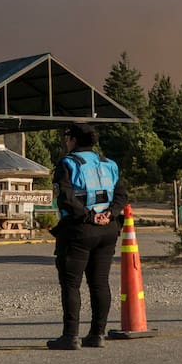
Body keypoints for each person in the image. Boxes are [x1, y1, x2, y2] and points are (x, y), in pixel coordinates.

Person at [48, 122, 127, 350]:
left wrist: (89, 217)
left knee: (71, 284)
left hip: (79, 230)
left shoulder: (68, 163)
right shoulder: (108, 164)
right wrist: (109, 214)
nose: (65, 140)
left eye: (66, 136)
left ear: (72, 139)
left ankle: (70, 336)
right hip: (108, 230)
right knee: (100, 283)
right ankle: (97, 334)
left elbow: (65, 198)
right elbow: (121, 195)